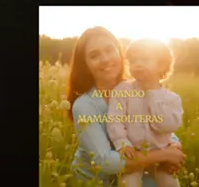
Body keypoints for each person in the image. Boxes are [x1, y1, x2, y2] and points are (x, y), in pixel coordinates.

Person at [67, 27, 186, 186]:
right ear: (86, 65)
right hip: (97, 180)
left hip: (136, 170)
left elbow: (155, 124)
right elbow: (105, 161)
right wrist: (164, 155)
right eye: (94, 56)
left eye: (109, 50)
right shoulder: (84, 105)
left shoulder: (136, 88)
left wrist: (173, 145)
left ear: (120, 53)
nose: (105, 59)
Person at [106, 39, 184, 187]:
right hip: (134, 154)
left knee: (170, 183)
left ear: (161, 65)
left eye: (145, 59)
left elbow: (167, 126)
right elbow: (114, 120)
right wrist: (123, 144)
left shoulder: (172, 99)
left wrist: (152, 93)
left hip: (161, 156)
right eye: (133, 60)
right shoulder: (122, 91)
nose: (138, 64)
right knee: (128, 183)